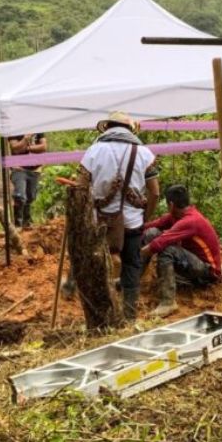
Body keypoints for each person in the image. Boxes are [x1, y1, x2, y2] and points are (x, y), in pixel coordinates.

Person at [78, 111, 160, 320]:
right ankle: (129, 315)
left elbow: (80, 188)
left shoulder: (93, 151)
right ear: (129, 130)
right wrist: (145, 218)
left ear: (107, 127)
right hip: (132, 223)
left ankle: (101, 315)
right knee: (131, 267)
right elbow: (155, 192)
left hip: (101, 224)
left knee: (99, 269)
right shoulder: (144, 154)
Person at [140, 184, 221, 318]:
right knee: (151, 233)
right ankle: (132, 279)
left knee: (167, 249)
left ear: (171, 204)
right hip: (192, 262)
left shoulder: (191, 221)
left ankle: (168, 302)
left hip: (208, 271)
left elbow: (160, 243)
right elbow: (153, 226)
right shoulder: (175, 216)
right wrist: (131, 232)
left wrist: (136, 255)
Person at [8, 132, 47, 227]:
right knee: (20, 195)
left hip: (35, 169)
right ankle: (18, 223)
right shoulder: (15, 129)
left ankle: (27, 222)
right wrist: (25, 139)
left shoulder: (38, 129)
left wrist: (26, 148)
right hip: (19, 168)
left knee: (31, 197)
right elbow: (15, 148)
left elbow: (43, 147)